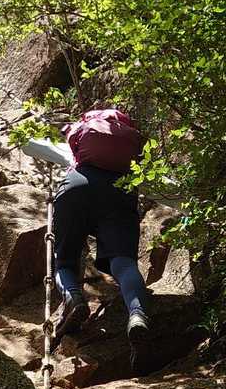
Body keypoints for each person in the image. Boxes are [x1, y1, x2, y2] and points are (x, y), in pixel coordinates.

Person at [48, 108, 153, 365]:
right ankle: (137, 315)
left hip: (77, 186)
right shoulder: (132, 137)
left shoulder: (84, 127)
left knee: (65, 260)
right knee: (124, 263)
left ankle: (74, 297)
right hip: (120, 191)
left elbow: (70, 143)